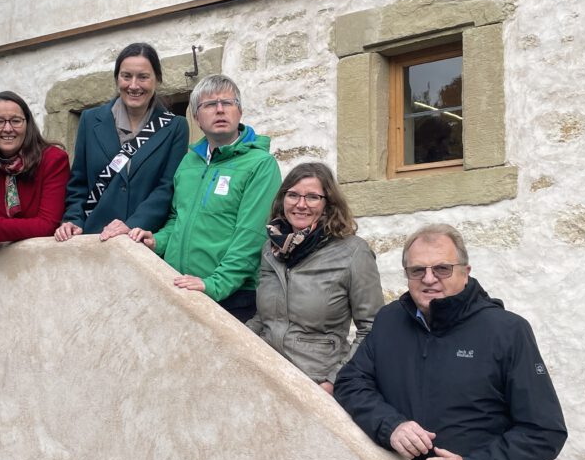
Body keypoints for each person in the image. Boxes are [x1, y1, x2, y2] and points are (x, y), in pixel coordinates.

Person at [334, 224, 567, 460]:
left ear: (465, 271)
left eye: (442, 268)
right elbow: (352, 383)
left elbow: (544, 431)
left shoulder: (508, 332)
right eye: (417, 270)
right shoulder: (390, 321)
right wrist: (391, 425)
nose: (429, 279)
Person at [129, 74, 281, 322]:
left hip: (230, 298)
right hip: (180, 289)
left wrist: (214, 284)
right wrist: (156, 242)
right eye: (209, 105)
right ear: (197, 118)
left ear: (240, 111)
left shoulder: (261, 165)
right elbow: (177, 220)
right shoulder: (189, 162)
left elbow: (251, 236)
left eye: (228, 103)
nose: (220, 110)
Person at [246, 162, 383, 395]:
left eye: (312, 197)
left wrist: (333, 381)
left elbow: (372, 329)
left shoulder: (353, 252)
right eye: (293, 195)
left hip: (317, 382)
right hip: (267, 376)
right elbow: (265, 318)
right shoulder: (271, 249)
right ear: (282, 200)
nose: (301, 204)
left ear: (328, 204)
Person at [54, 42, 189, 242]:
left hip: (141, 240)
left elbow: (167, 187)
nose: (134, 85)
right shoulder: (90, 120)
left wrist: (133, 223)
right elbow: (79, 183)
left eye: (143, 77)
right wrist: (73, 220)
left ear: (157, 80)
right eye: (126, 76)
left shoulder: (176, 127)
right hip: (94, 238)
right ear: (117, 78)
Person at [0, 90, 70, 244]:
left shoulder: (53, 160)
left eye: (16, 121)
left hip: (41, 258)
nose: (8, 128)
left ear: (27, 124)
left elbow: (48, 225)